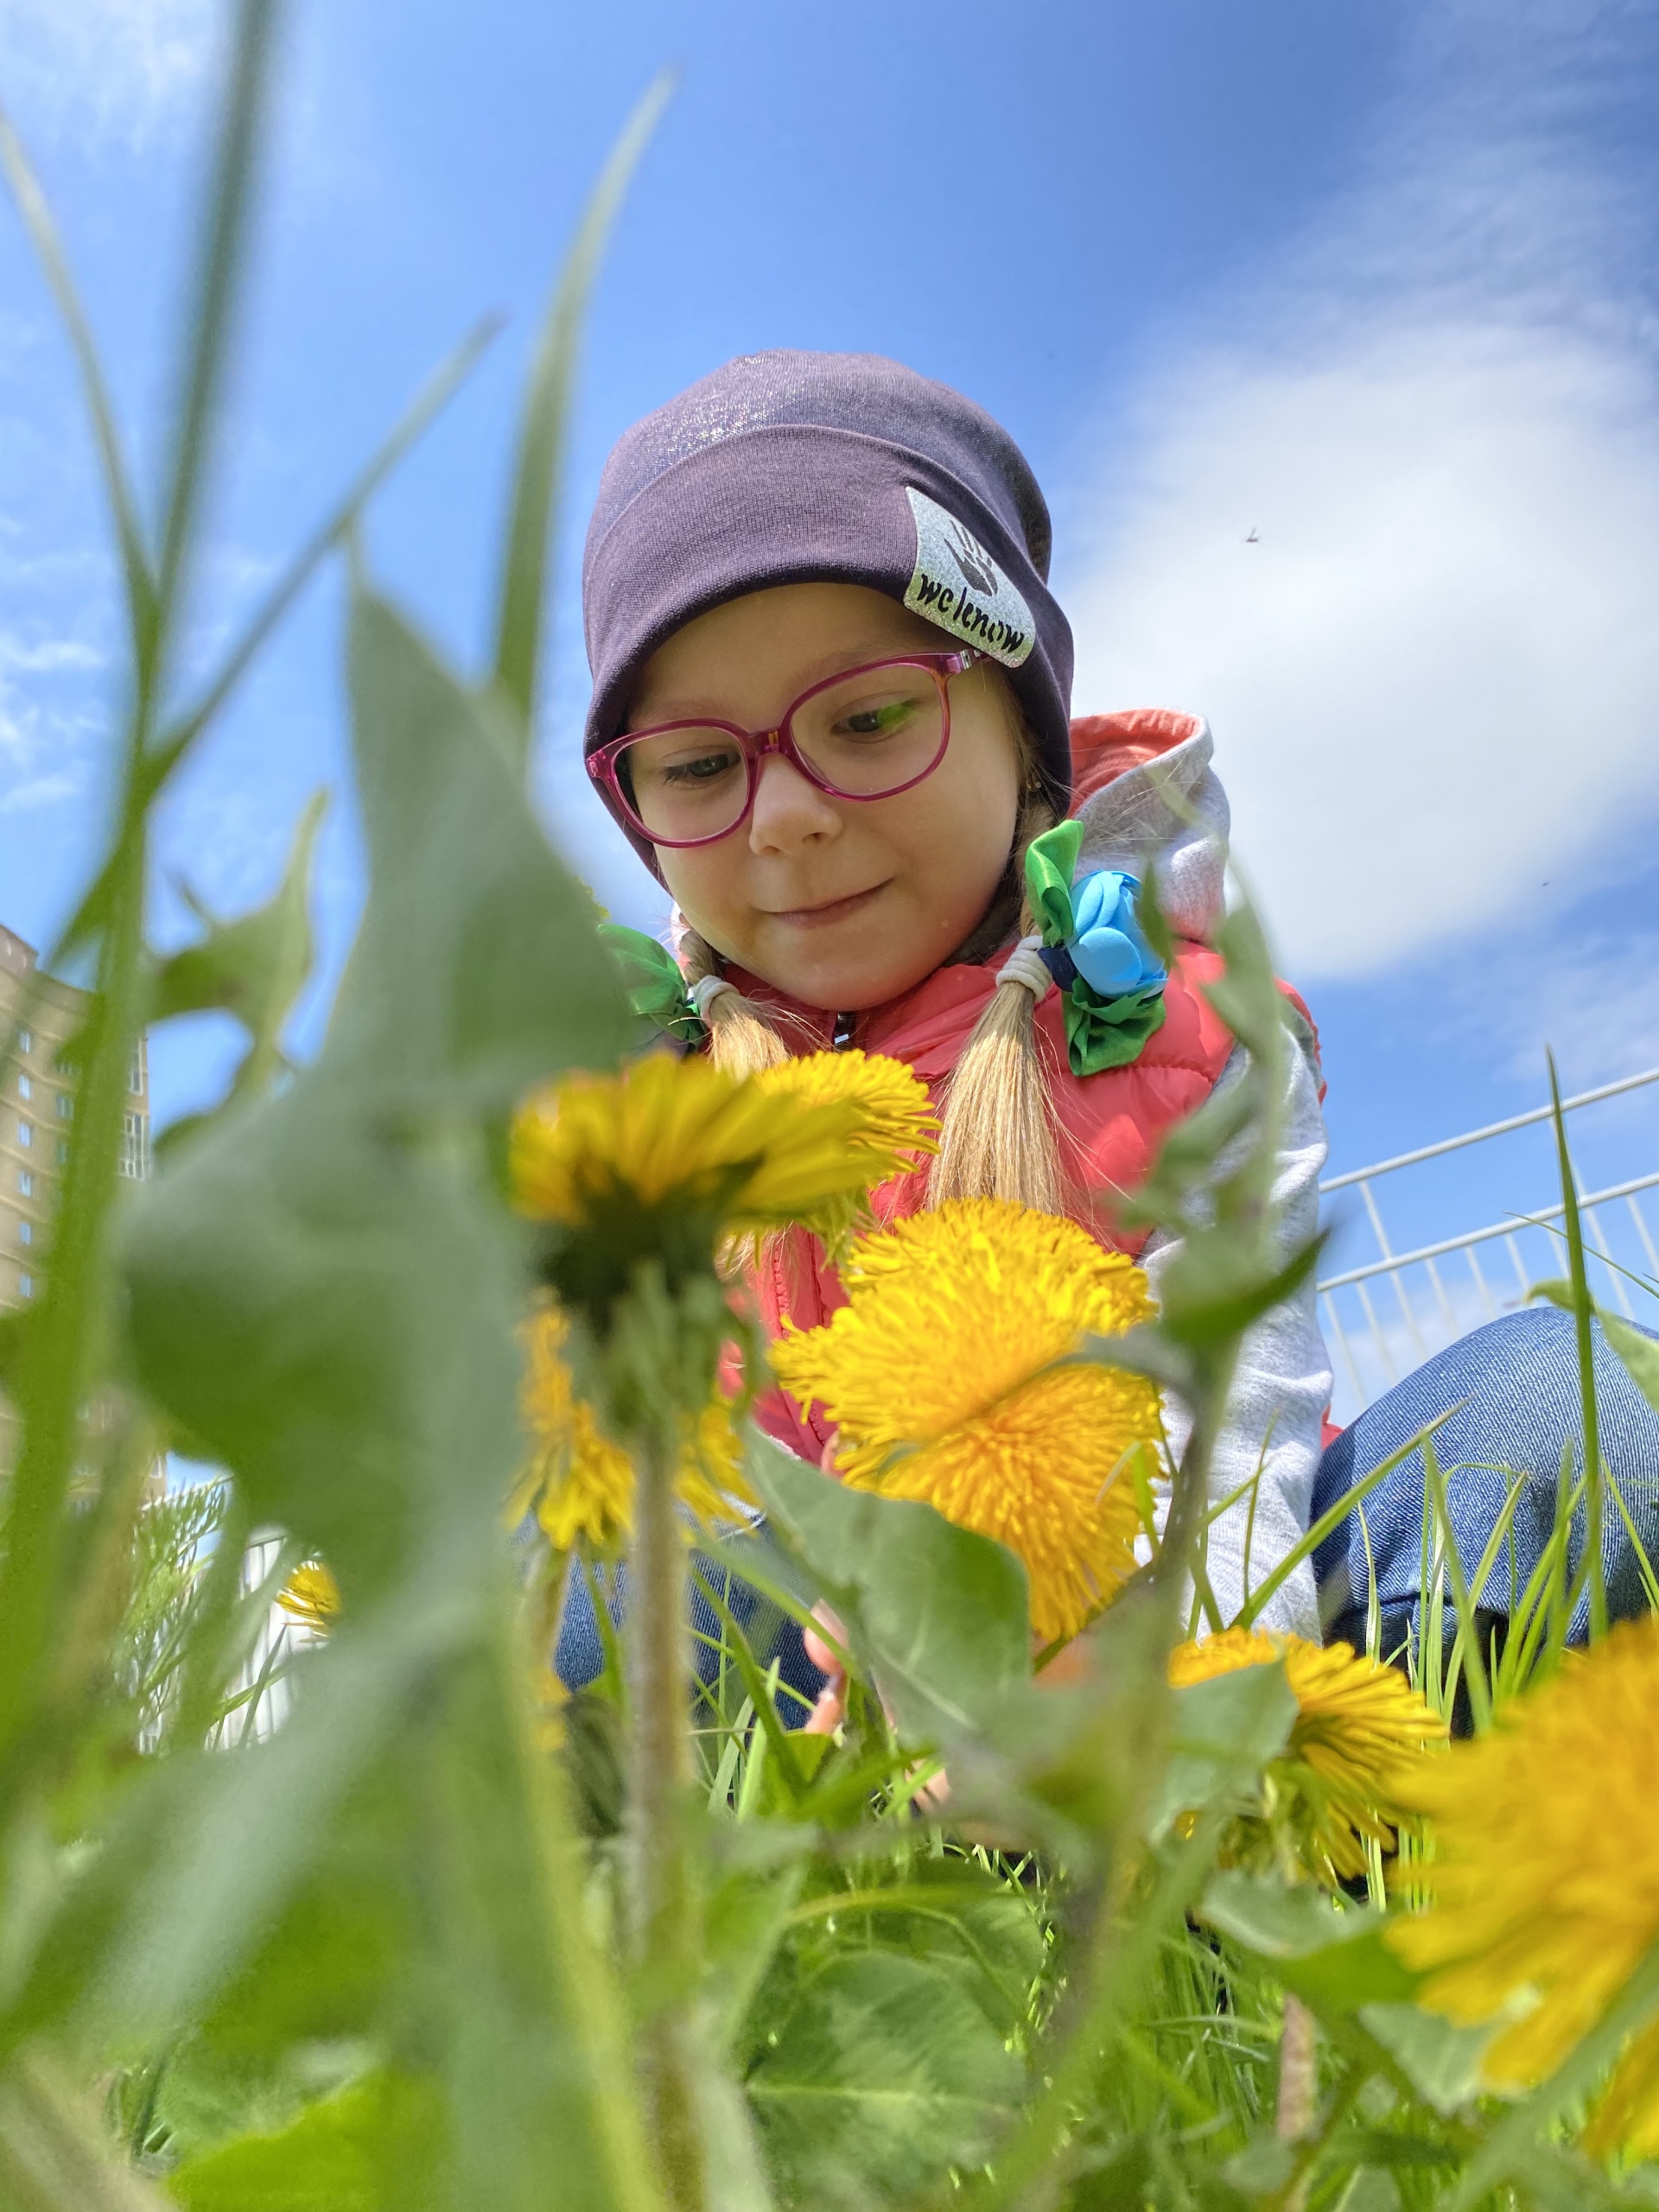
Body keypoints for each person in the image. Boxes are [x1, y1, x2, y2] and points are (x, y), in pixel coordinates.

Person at [556, 348, 1658, 1707]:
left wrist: (1162, 1688)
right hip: (836, 1703)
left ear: (1023, 736)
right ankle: (708, 1904)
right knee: (570, 1586)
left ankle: (1357, 1859)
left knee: (1578, 1403)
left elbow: (1229, 1399)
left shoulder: (1184, 1024)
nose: (782, 812)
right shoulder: (655, 1131)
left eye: (869, 716)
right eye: (701, 764)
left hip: (1234, 1622)